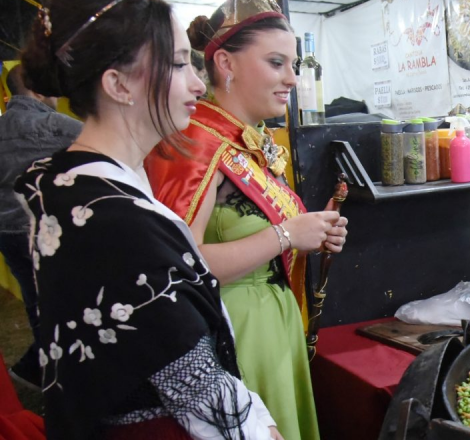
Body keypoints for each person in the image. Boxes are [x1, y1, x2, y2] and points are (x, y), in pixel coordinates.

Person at [16, 0, 284, 438]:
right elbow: (196, 385)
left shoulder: (72, 186)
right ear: (119, 84)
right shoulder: (114, 218)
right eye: (179, 65)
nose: (198, 85)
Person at [145, 1, 346, 439]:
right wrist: (287, 233)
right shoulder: (197, 143)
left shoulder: (247, 141)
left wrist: (310, 233)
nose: (292, 78)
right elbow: (178, 266)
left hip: (274, 323)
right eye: (276, 63)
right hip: (234, 330)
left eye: (292, 64)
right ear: (225, 63)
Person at [0, 64, 82, 388]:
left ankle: (42, 370)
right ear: (36, 89)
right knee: (65, 303)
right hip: (42, 229)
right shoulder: (54, 124)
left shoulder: (2, 126)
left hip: (6, 230)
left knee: (36, 303)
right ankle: (58, 374)